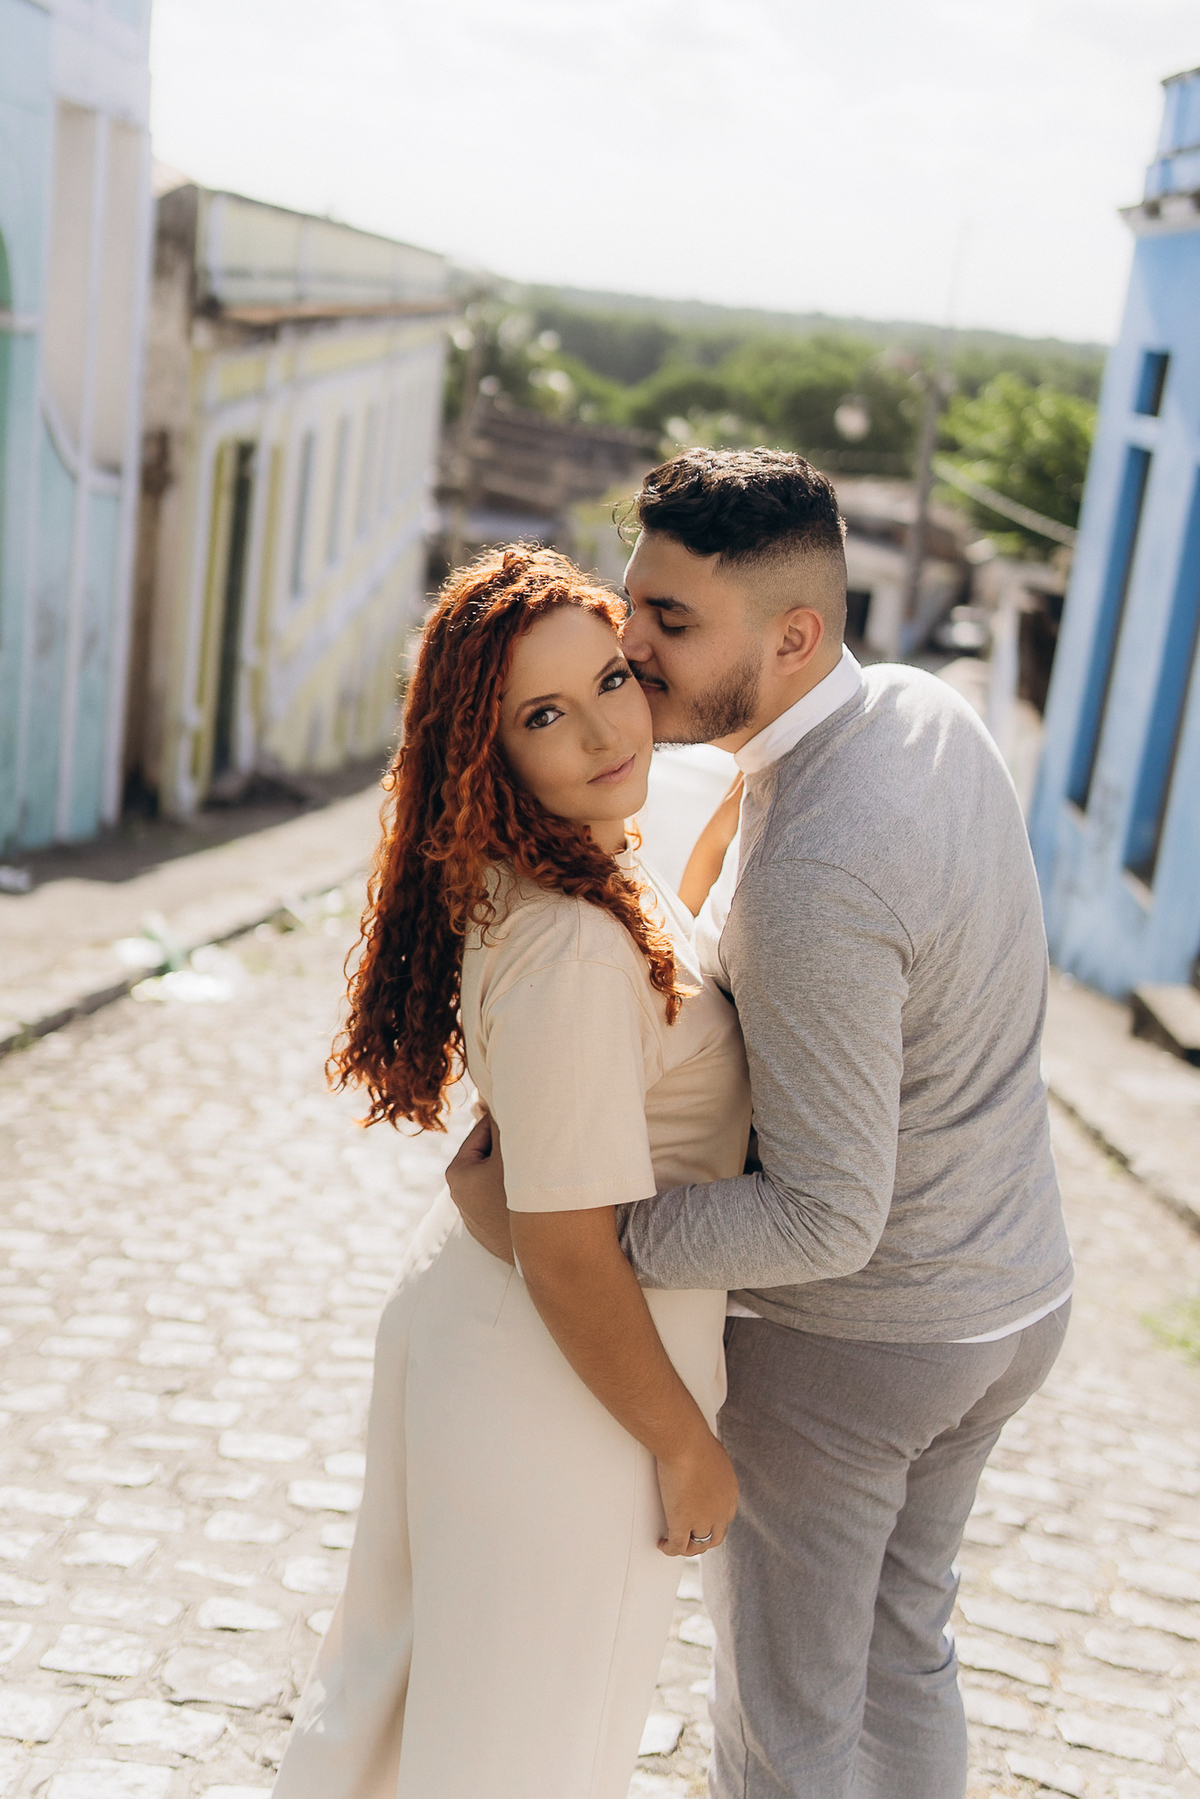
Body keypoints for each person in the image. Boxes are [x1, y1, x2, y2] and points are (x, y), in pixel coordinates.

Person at [449, 449, 1074, 1799]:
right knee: (906, 1650)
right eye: (635, 602)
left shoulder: (818, 871)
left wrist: (582, 1223)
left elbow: (824, 1214)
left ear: (793, 634)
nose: (631, 641)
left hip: (864, 1348)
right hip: (1016, 1297)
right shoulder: (924, 709)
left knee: (784, 1723)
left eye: (673, 621)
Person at [271, 545, 751, 1799]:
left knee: (408, 1723)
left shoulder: (589, 858)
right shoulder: (576, 946)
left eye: (610, 680)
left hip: (504, 1352)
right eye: (546, 714)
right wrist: (689, 1445)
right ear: (492, 754)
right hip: (564, 1389)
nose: (602, 729)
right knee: (523, 1756)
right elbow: (567, 1251)